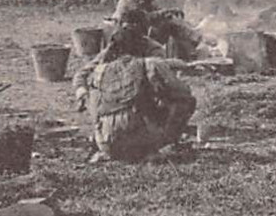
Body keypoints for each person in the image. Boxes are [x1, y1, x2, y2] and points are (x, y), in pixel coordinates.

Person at [74, 20, 197, 163]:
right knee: (186, 101)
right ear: (141, 45)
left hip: (105, 143)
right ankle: (158, 146)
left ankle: (108, 145)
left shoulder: (100, 69)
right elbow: (181, 91)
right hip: (140, 140)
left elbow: (90, 95)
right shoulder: (149, 63)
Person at [113, 0, 201, 59]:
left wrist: (169, 14)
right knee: (170, 26)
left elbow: (155, 10)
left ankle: (192, 45)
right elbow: (140, 16)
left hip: (140, 29)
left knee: (171, 21)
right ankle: (195, 43)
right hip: (128, 32)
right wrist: (165, 13)